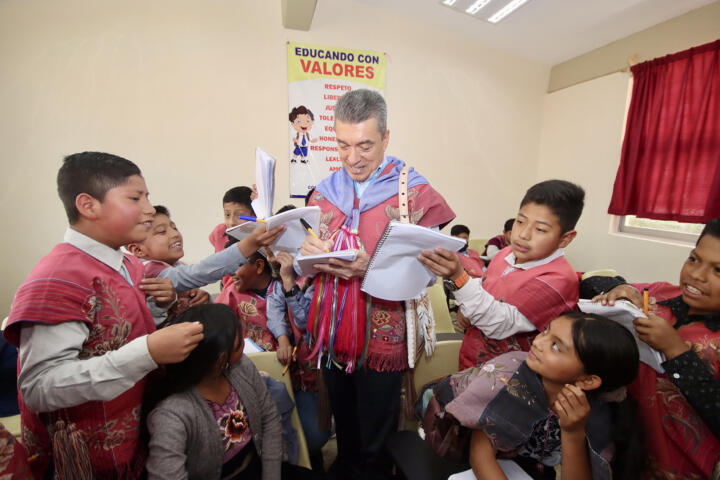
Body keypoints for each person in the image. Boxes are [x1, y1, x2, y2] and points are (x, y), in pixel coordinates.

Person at [3, 152, 205, 479]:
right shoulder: (57, 279)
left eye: (147, 197)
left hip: (135, 440)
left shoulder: (127, 265)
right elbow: (39, 386)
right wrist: (148, 352)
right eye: (135, 198)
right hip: (87, 460)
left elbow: (118, 331)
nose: (149, 209)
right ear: (88, 205)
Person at [300, 89, 455, 479]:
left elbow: (430, 272)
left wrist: (371, 269)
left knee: (377, 424)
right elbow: (306, 260)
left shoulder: (414, 194)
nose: (353, 158)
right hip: (332, 329)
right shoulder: (325, 192)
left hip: (382, 333)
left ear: (386, 138)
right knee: (344, 416)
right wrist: (305, 249)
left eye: (365, 145)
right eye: (343, 144)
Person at [419, 312, 645, 480]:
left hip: (522, 461)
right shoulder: (508, 377)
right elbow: (481, 454)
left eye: (556, 346)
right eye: (546, 331)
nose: (538, 342)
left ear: (588, 381)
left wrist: (572, 433)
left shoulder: (597, 408)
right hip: (457, 435)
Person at [589, 218, 720, 478]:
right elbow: (589, 283)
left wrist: (676, 351)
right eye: (694, 259)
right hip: (620, 450)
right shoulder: (660, 295)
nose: (696, 275)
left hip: (681, 468)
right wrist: (620, 289)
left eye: (719, 271)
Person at [420, 179, 583, 369]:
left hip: (510, 379)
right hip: (472, 362)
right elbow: (486, 286)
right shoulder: (505, 254)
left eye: (540, 229)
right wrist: (466, 308)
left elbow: (499, 324)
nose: (523, 234)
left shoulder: (558, 279)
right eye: (520, 222)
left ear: (566, 238)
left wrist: (459, 277)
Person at [145, 303, 317, 479]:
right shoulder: (172, 415)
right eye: (238, 344)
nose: (244, 344)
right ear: (220, 360)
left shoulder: (240, 367)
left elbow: (269, 417)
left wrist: (271, 474)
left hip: (260, 465)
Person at [127, 205, 283, 323]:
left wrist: (203, 298)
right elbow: (199, 272)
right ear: (138, 250)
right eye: (162, 232)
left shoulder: (176, 265)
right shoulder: (148, 271)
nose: (175, 234)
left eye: (174, 227)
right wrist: (250, 243)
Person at [209, 186, 256, 253]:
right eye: (227, 215)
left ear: (254, 215)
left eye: (240, 215)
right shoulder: (219, 232)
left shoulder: (260, 235)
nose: (231, 222)